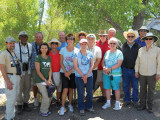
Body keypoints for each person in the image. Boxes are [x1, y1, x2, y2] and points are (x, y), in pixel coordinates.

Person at [135, 32, 160, 113]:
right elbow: (137, 62)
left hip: (152, 74)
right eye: (147, 38)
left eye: (150, 38)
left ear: (153, 40)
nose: (148, 40)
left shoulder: (157, 50)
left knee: (151, 91)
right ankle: (142, 105)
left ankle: (150, 107)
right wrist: (136, 71)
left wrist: (158, 73)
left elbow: (159, 63)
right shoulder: (140, 50)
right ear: (144, 40)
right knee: (142, 90)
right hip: (142, 74)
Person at [0, 37, 21, 120]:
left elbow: (16, 65)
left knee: (14, 97)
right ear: (6, 44)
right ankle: (8, 117)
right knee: (11, 98)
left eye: (13, 43)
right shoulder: (4, 54)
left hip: (16, 77)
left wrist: (19, 74)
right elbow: (2, 68)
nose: (12, 45)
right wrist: (7, 81)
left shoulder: (13, 53)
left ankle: (12, 115)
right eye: (10, 43)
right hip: (10, 77)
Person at [73, 39, 95, 115]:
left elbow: (92, 65)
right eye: (82, 44)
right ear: (79, 44)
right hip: (79, 76)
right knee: (80, 92)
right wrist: (83, 76)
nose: (84, 45)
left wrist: (87, 75)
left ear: (87, 45)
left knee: (89, 92)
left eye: (85, 44)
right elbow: (75, 66)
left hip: (89, 76)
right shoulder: (75, 54)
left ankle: (89, 106)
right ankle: (81, 108)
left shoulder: (90, 53)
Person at [101, 37, 123, 110]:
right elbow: (103, 62)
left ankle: (117, 103)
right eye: (111, 43)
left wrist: (109, 69)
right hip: (106, 74)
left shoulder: (119, 53)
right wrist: (104, 68)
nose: (112, 44)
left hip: (115, 74)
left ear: (116, 44)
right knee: (107, 88)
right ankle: (108, 103)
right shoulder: (107, 52)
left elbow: (119, 64)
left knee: (116, 88)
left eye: (114, 43)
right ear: (109, 44)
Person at [59, 33, 78, 115]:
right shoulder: (62, 50)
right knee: (65, 89)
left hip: (73, 72)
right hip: (64, 72)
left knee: (71, 89)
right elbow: (61, 62)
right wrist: (66, 72)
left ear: (73, 41)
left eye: (71, 39)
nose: (70, 40)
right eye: (68, 39)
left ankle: (70, 104)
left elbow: (77, 64)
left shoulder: (77, 50)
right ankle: (62, 106)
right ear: (66, 41)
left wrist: (70, 72)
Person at [14, 31, 32, 114]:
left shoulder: (30, 46)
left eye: (25, 37)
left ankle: (25, 103)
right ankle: (19, 105)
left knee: (27, 88)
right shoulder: (15, 46)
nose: (24, 38)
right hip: (19, 71)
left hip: (28, 70)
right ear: (19, 38)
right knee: (19, 88)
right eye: (22, 36)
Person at [122, 29, 140, 107]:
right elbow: (121, 58)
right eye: (129, 36)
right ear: (127, 37)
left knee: (135, 86)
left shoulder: (138, 46)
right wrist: (122, 68)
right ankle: (126, 100)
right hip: (125, 69)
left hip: (134, 70)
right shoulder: (123, 46)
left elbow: (140, 59)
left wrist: (138, 70)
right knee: (125, 86)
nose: (130, 37)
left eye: (132, 36)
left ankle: (135, 101)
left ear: (134, 37)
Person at [35, 43, 52, 117]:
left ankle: (46, 109)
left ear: (47, 49)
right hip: (40, 80)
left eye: (45, 48)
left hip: (48, 80)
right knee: (45, 96)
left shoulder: (49, 57)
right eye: (42, 48)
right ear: (40, 49)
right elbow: (38, 71)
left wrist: (49, 79)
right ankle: (43, 111)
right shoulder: (38, 57)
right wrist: (45, 80)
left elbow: (50, 69)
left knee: (50, 95)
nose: (44, 49)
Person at [95, 30, 110, 102]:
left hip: (108, 67)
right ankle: (104, 96)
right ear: (99, 36)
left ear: (106, 36)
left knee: (107, 82)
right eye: (101, 35)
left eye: (104, 35)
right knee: (101, 81)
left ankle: (108, 97)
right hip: (98, 66)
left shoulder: (110, 43)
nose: (102, 37)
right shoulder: (96, 43)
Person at [30, 32, 43, 106]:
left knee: (43, 83)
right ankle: (35, 98)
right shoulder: (31, 45)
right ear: (35, 38)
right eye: (37, 37)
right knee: (35, 84)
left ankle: (43, 98)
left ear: (42, 38)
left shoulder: (45, 45)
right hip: (34, 67)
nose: (38, 38)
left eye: (40, 37)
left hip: (43, 68)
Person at [48, 38, 62, 107]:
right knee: (50, 87)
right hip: (49, 72)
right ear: (51, 45)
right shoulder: (48, 53)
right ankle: (50, 100)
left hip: (58, 71)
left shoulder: (60, 52)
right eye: (52, 43)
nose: (54, 44)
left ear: (57, 45)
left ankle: (58, 100)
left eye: (56, 43)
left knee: (58, 86)